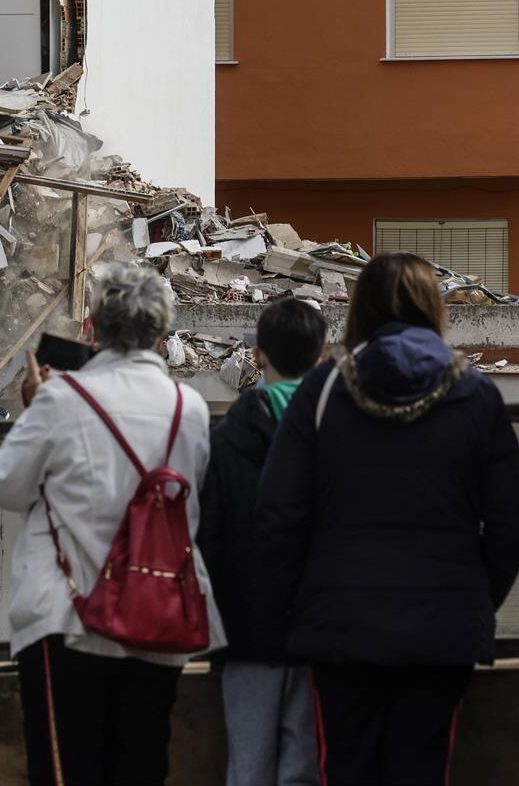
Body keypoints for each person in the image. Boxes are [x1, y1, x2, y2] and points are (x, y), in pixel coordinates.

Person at [260, 252, 519, 785]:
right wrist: (471, 600)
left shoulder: (324, 391)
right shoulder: (475, 394)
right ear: (434, 308)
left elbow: (276, 513)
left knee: (345, 767)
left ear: (360, 310)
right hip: (441, 631)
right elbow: (509, 526)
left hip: (340, 627)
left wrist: (303, 602)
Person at [0, 261, 223, 786]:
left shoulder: (61, 399)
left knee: (68, 769)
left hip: (67, 619)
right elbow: (191, 506)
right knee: (141, 767)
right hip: (156, 619)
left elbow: (5, 485)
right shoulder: (191, 407)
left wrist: (34, 407)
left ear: (93, 327)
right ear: (161, 334)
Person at [197, 298, 325, 786]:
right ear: (320, 356)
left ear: (260, 355)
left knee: (247, 770)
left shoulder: (228, 438)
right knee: (305, 771)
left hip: (246, 633)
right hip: (319, 629)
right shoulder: (336, 431)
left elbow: (209, 538)